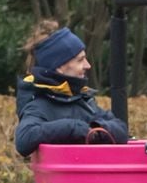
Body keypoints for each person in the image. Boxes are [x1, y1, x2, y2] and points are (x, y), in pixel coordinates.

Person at [14, 20, 127, 157]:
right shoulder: (39, 106)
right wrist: (73, 128)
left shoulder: (84, 100)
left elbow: (121, 130)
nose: (88, 65)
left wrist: (96, 130)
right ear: (59, 66)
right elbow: (24, 139)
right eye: (80, 60)